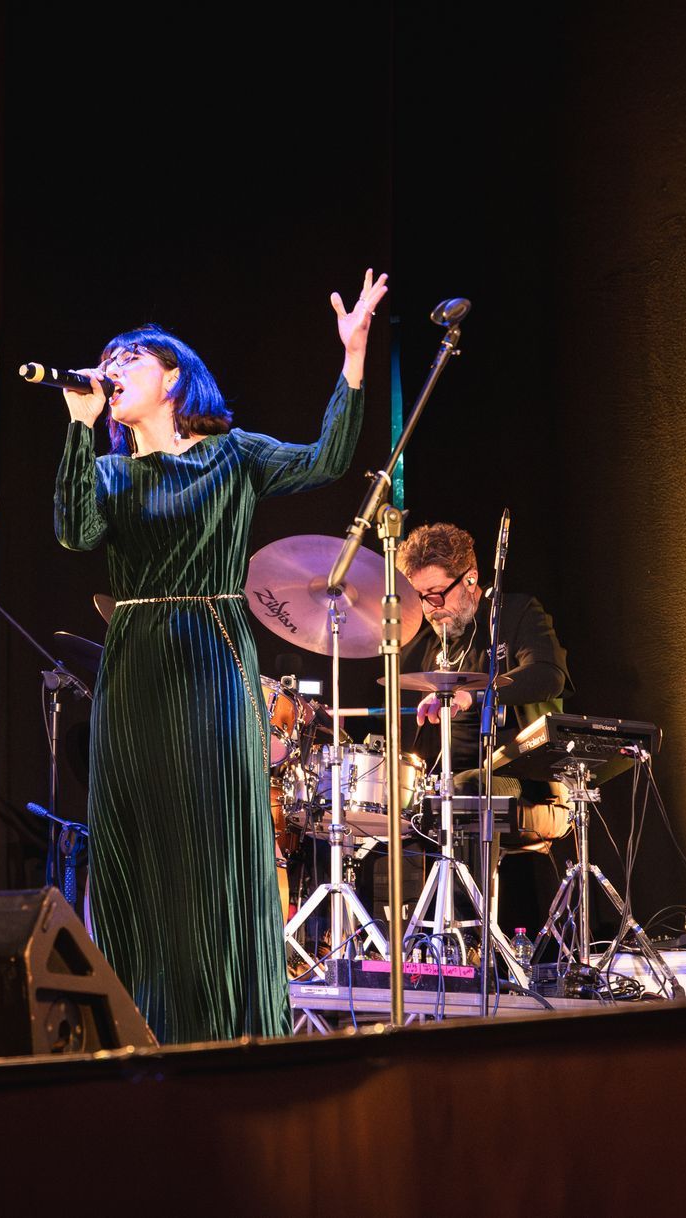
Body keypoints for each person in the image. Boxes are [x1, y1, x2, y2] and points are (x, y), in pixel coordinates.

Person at [54, 270, 387, 1043]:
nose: (114, 366)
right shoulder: (106, 472)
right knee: (137, 840)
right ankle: (141, 1027)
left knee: (211, 843)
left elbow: (326, 459)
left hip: (209, 657)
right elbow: (74, 532)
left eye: (132, 357)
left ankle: (226, 1027)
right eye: (109, 358)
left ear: (174, 378)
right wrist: (77, 427)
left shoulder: (232, 454)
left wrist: (354, 358)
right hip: (135, 663)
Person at [396, 522, 572, 939]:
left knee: (465, 788)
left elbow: (549, 675)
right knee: (380, 807)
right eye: (421, 597)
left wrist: (473, 696)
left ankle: (467, 941)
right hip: (448, 782)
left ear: (471, 578)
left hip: (525, 779)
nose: (430, 606)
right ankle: (404, 944)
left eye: (437, 593)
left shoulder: (515, 614)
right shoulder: (426, 645)